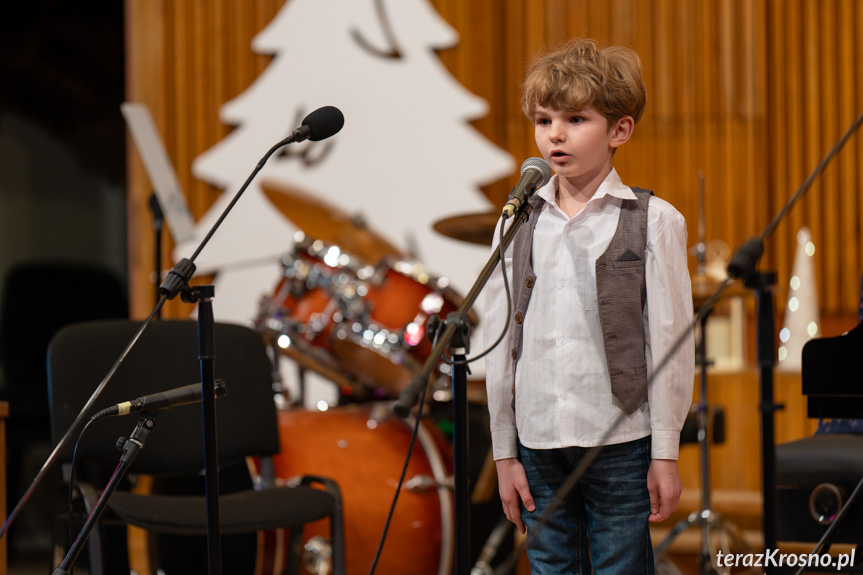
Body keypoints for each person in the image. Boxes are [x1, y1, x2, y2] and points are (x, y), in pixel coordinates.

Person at [483, 38, 695, 574]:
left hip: (620, 440)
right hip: (537, 440)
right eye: (543, 119)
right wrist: (504, 450)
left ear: (619, 130)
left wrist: (665, 452)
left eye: (575, 118)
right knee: (551, 567)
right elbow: (500, 341)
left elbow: (670, 342)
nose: (555, 133)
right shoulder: (517, 219)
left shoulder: (654, 220)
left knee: (620, 567)